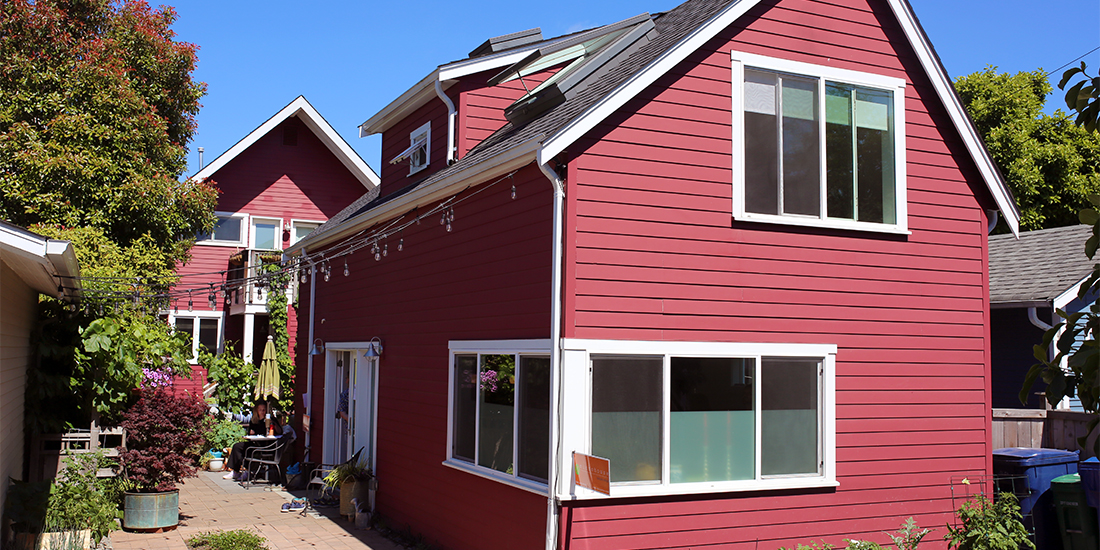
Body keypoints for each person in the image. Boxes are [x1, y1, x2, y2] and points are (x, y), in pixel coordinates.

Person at [223, 401, 281, 480]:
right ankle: (235, 471)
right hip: (255, 442)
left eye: (264, 410)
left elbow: (280, 431)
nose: (262, 412)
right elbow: (250, 433)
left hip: (267, 444)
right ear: (257, 410)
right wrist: (251, 433)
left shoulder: (270, 420)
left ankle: (247, 472)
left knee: (248, 449)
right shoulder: (254, 420)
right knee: (237, 446)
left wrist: (273, 423)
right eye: (260, 410)